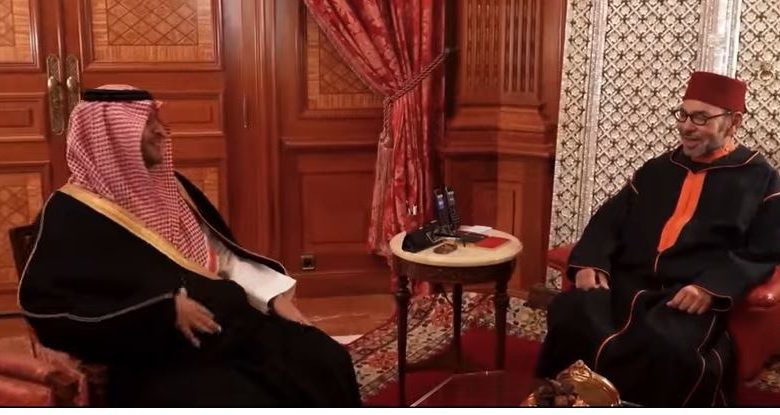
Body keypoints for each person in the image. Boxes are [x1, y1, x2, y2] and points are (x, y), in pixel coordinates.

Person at [18, 86, 362, 406]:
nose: (162, 132)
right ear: (110, 137)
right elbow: (51, 309)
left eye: (158, 121)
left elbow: (220, 258)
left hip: (231, 328)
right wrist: (162, 312)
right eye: (147, 124)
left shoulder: (172, 186)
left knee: (324, 358)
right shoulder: (70, 213)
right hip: (159, 355)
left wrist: (271, 299)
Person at [535, 71, 780, 406]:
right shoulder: (658, 169)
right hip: (626, 283)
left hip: (684, 295)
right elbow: (609, 220)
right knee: (572, 311)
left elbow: (764, 250)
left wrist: (710, 287)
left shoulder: (760, 179)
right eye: (683, 115)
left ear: (733, 122)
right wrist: (590, 261)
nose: (686, 126)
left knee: (667, 346)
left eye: (701, 118)